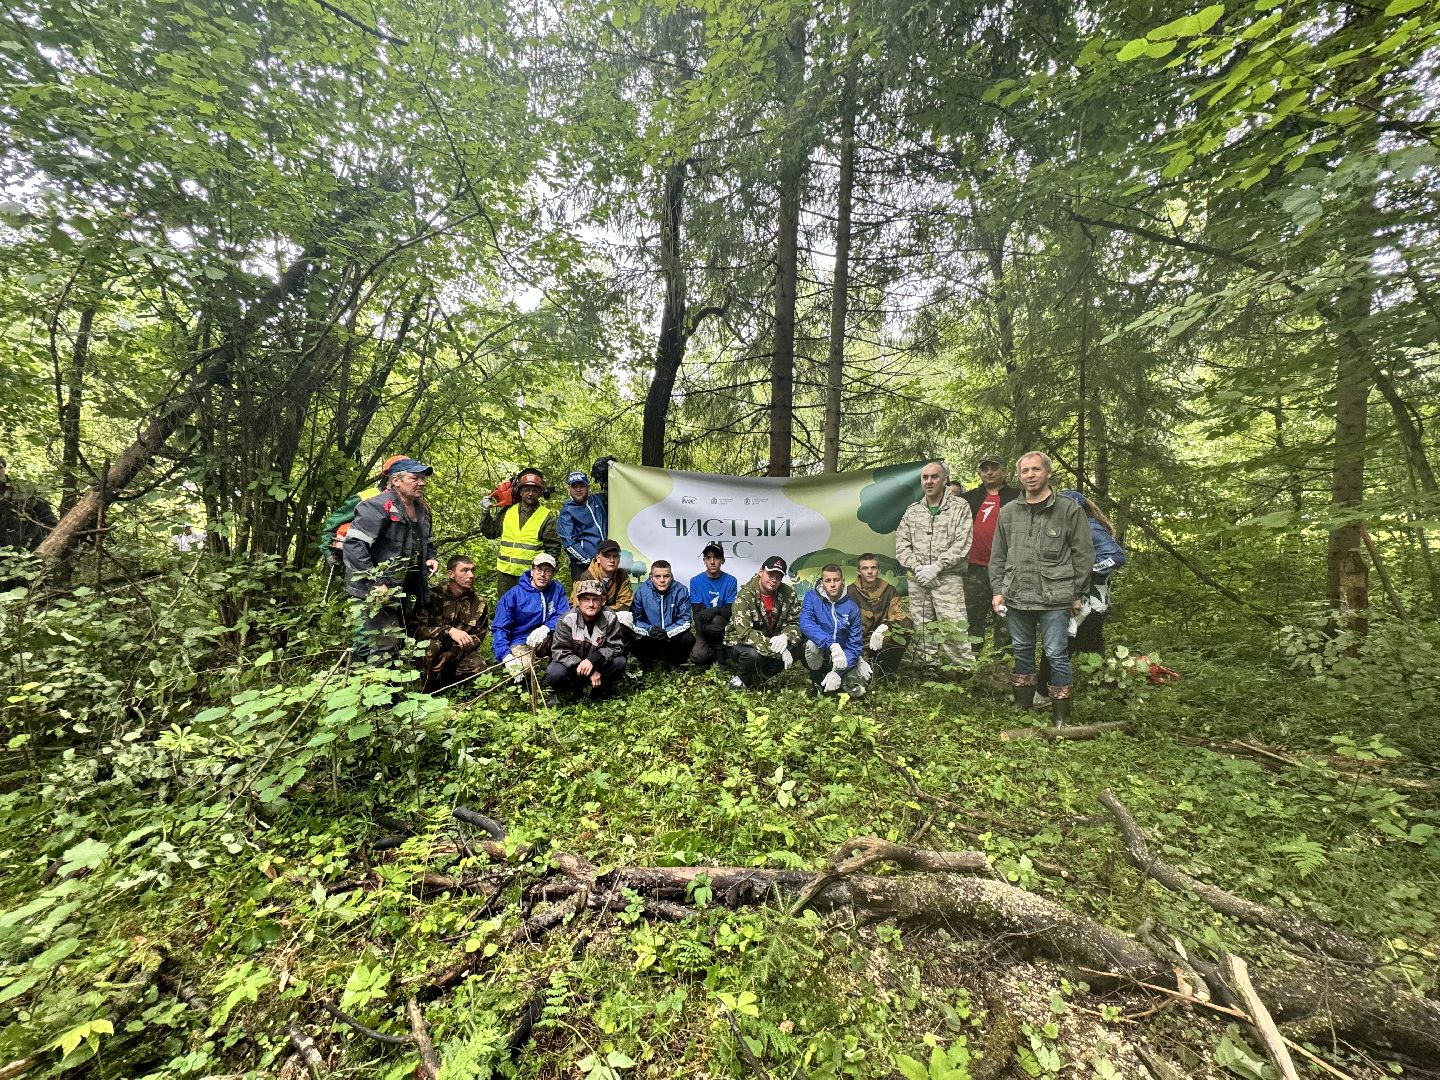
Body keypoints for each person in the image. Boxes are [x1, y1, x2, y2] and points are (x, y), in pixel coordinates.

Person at [989, 453, 1095, 727]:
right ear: (1019, 476)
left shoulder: (1068, 509)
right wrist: (997, 589)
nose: (1030, 475)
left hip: (1055, 597)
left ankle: (1061, 716)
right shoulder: (1009, 512)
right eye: (1025, 471)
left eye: (1036, 469)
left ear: (1048, 473)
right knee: (1022, 650)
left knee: (1056, 653)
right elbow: (998, 555)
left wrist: (1078, 593)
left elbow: (1083, 553)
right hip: (1017, 596)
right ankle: (1023, 710)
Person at [342, 458, 439, 664]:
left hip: (403, 586)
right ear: (396, 481)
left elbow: (426, 540)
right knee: (386, 643)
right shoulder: (376, 507)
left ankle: (377, 684)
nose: (421, 483)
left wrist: (430, 557)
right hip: (377, 588)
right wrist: (376, 583)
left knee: (401, 637)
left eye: (423, 478)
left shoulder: (422, 509)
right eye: (415, 478)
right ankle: (374, 691)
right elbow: (353, 546)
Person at [1037, 492, 1126, 697]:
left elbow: (1116, 556)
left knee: (1058, 644)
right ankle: (1104, 692)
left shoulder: (1090, 527)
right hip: (1082, 601)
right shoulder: (1071, 527)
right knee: (1088, 647)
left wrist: (1086, 571)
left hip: (1089, 603)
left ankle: (1043, 693)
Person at [894, 461, 974, 674]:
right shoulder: (912, 511)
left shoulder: (959, 507)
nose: (929, 482)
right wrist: (919, 568)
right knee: (922, 626)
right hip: (918, 579)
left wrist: (937, 567)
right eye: (925, 477)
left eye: (934, 477)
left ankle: (963, 673)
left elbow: (962, 543)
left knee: (953, 625)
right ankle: (927, 668)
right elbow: (902, 544)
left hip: (947, 578)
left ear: (945, 479)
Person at [962, 454, 1021, 656]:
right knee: (972, 618)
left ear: (1003, 470)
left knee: (1005, 618)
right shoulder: (969, 498)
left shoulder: (1017, 496)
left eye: (993, 468)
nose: (989, 472)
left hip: (1007, 569)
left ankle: (1002, 663)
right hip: (974, 568)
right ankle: (970, 662)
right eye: (984, 468)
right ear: (979, 473)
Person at [544, 578, 628, 705]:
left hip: (598, 665)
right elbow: (559, 652)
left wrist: (593, 659)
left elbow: (616, 646)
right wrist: (588, 670)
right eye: (586, 599)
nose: (591, 604)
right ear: (578, 601)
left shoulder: (610, 616)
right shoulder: (567, 619)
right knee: (554, 671)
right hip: (573, 668)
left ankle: (601, 689)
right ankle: (563, 692)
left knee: (619, 662)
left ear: (602, 601)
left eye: (595, 599)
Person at [481, 468, 561, 599]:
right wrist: (485, 513)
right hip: (505, 576)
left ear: (541, 493)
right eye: (526, 489)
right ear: (520, 491)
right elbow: (490, 532)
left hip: (531, 576)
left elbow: (553, 549)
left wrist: (545, 574)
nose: (530, 494)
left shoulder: (547, 517)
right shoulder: (507, 511)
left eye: (535, 490)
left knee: (528, 613)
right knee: (506, 611)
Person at [723, 555, 802, 690]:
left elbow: (796, 621)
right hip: (740, 642)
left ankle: (765, 674)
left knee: (800, 645)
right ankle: (741, 678)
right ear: (761, 572)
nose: (774, 580)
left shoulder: (788, 593)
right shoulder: (745, 596)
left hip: (772, 637)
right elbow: (745, 633)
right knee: (752, 655)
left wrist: (786, 637)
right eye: (770, 574)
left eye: (778, 577)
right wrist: (779, 650)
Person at [415, 554, 490, 692]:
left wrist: (451, 653)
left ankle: (449, 687)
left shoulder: (478, 603)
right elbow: (417, 630)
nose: (471, 575)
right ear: (451, 574)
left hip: (456, 655)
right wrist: (447, 630)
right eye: (464, 570)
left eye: (472, 570)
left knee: (478, 664)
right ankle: (422, 689)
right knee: (433, 646)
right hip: (430, 652)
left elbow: (478, 637)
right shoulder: (431, 597)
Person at [491, 552, 570, 681]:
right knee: (525, 670)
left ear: (553, 574)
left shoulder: (557, 589)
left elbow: (563, 614)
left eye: (547, 571)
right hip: (520, 641)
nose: (542, 574)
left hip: (548, 637)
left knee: (571, 641)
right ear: (532, 571)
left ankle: (557, 676)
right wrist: (505, 655)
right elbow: (499, 628)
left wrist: (546, 628)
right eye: (539, 569)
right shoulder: (513, 595)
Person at [317, 454, 408, 563]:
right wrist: (328, 551)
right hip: (359, 559)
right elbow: (333, 523)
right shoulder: (366, 497)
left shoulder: (411, 504)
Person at [800, 564, 869, 697]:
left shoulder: (851, 607)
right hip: (821, 651)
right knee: (811, 645)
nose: (832, 584)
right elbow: (806, 623)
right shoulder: (812, 597)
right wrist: (831, 644)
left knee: (858, 690)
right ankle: (817, 681)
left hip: (841, 656)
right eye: (828, 580)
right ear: (822, 582)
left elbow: (854, 645)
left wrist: (837, 672)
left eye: (836, 580)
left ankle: (838, 679)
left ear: (842, 581)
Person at [846, 553, 910, 680]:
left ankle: (887, 673)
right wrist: (858, 658)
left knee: (903, 634)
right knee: (859, 683)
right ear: (858, 571)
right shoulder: (849, 593)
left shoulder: (889, 590)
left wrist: (886, 627)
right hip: (858, 646)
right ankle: (867, 667)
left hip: (882, 642)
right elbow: (842, 628)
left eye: (873, 568)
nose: (870, 572)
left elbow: (905, 619)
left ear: (879, 570)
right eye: (865, 568)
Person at [631, 560, 693, 670]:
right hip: (651, 637)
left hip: (672, 638)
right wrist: (649, 629)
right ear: (651, 577)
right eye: (657, 576)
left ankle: (673, 662)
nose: (662, 580)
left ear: (671, 576)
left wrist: (667, 632)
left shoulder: (681, 590)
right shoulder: (642, 591)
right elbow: (635, 619)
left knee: (688, 639)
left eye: (666, 576)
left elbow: (685, 620)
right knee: (633, 640)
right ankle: (647, 665)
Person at [688, 543, 738, 667]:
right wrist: (705, 630)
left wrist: (715, 610)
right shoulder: (695, 581)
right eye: (708, 558)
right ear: (704, 560)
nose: (712, 561)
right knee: (698, 657)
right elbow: (697, 615)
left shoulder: (731, 580)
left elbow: (729, 613)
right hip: (704, 627)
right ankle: (716, 651)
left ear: (722, 560)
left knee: (717, 619)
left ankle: (721, 659)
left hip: (723, 626)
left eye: (716, 557)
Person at [571, 538, 634, 630]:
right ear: (598, 559)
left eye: (615, 556)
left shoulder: (623, 576)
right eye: (607, 556)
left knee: (626, 616)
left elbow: (624, 605)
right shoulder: (586, 577)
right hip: (590, 617)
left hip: (612, 616)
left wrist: (604, 611)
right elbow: (577, 606)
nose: (612, 560)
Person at [557, 469, 608, 581]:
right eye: (574, 486)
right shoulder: (567, 510)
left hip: (608, 562)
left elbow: (614, 493)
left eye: (582, 486)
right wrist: (589, 561)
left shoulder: (598, 500)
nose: (578, 489)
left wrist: (606, 475)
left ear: (588, 487)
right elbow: (569, 543)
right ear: (569, 488)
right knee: (585, 597)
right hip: (583, 567)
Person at [0, 455, 57, 552]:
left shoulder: (23, 489)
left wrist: (53, 535)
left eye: (0, 467)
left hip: (26, 547)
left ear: (4, 468)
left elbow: (45, 514)